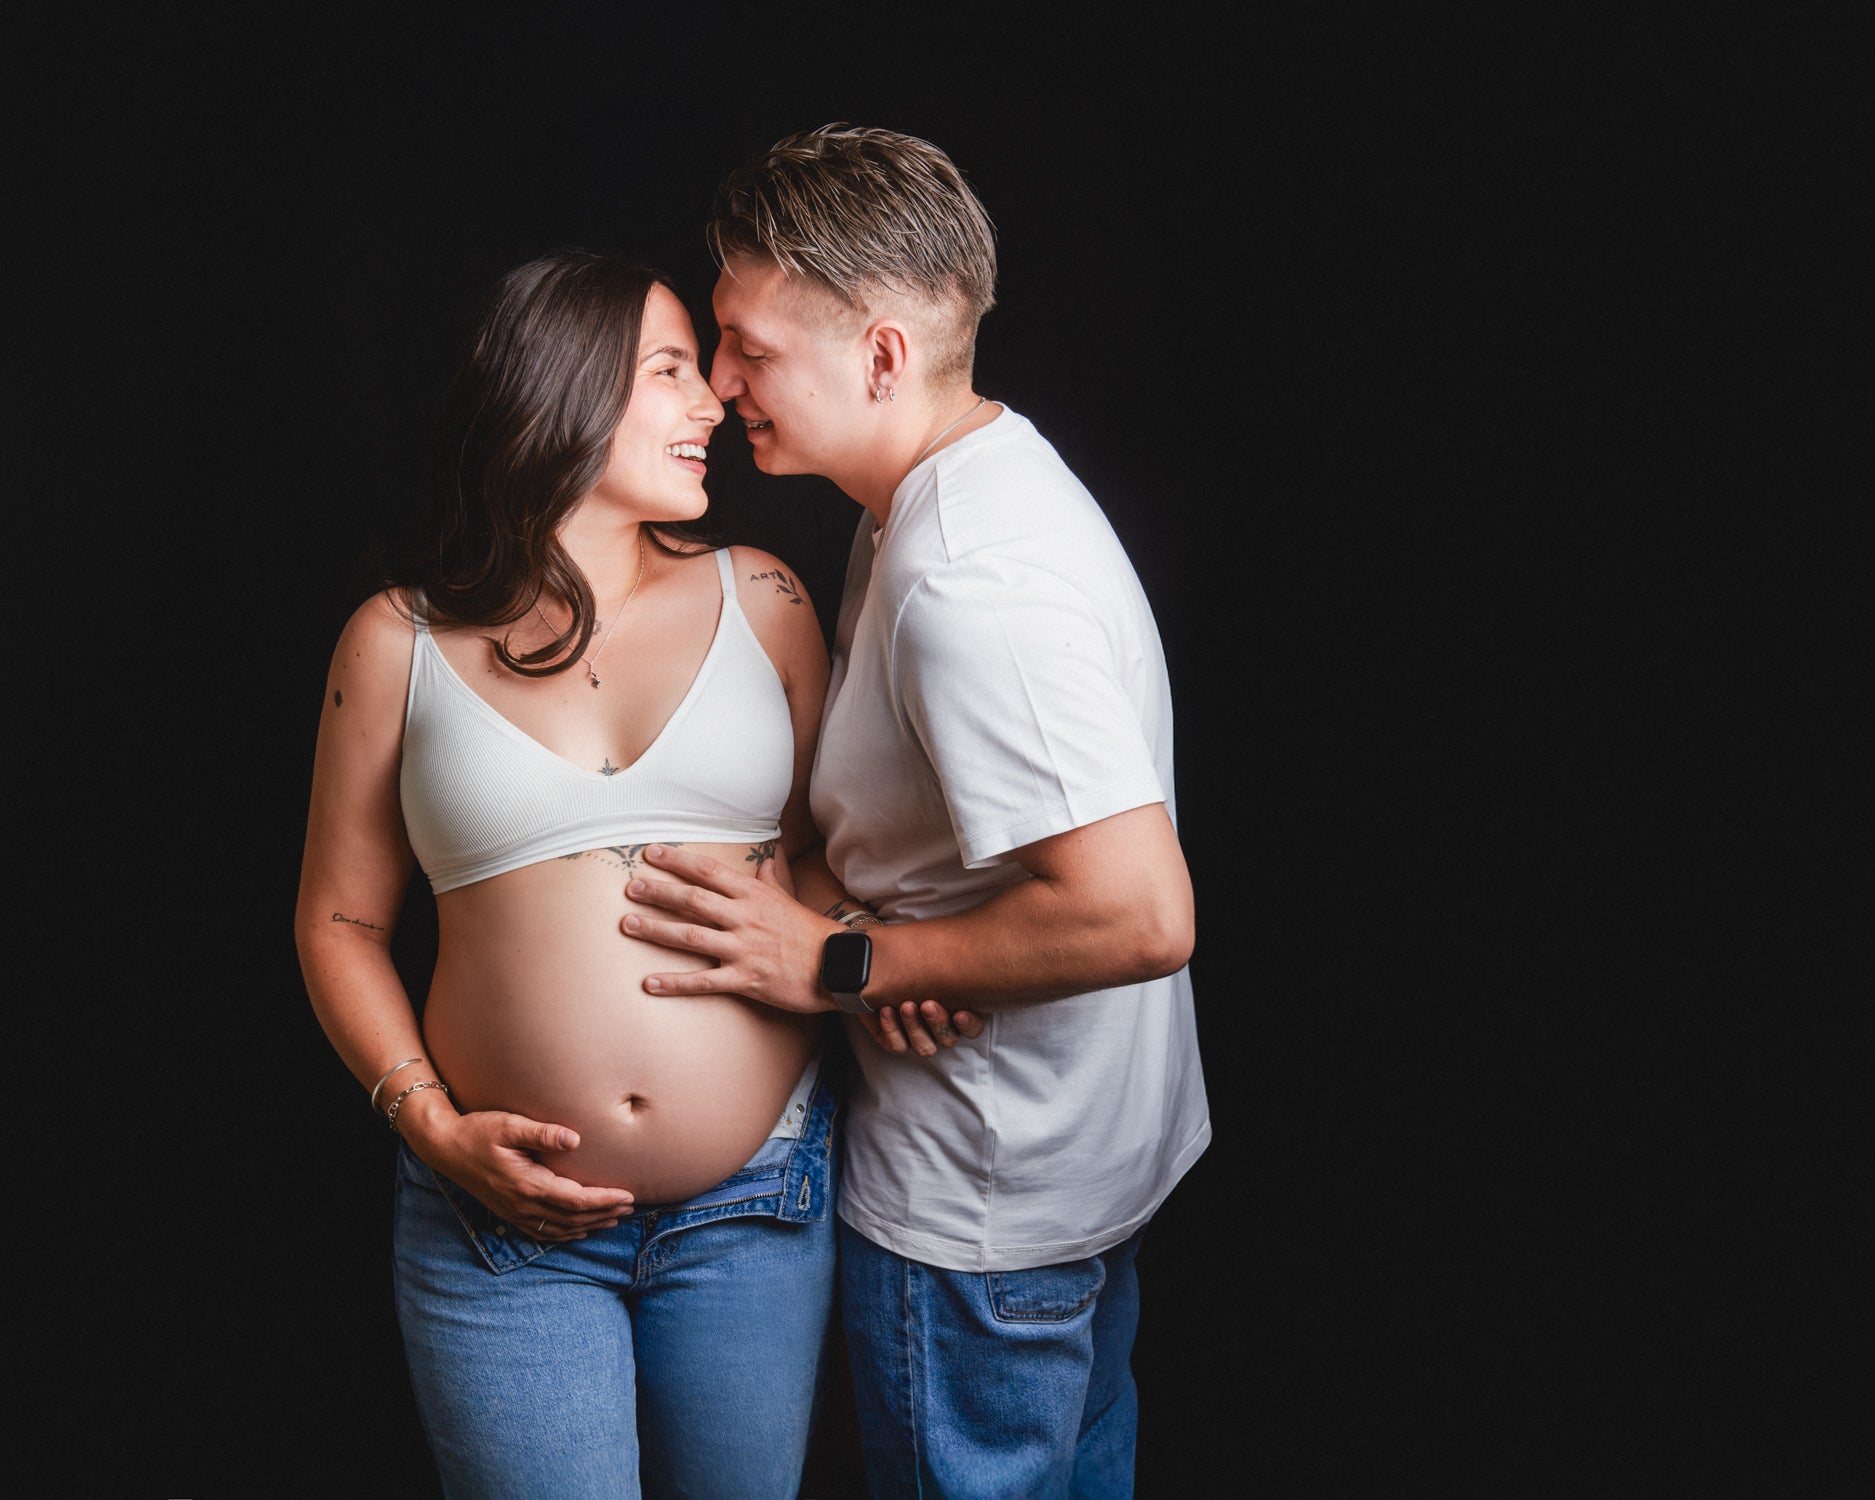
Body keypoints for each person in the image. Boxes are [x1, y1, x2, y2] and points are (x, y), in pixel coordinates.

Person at [621, 127, 1212, 1498]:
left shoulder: (969, 580)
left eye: (746, 347)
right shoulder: (946, 487)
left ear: (880, 356)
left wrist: (840, 961)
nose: (718, 383)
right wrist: (902, 933)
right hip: (1064, 1170)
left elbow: (1138, 909)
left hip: (983, 1215)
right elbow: (972, 847)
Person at [293, 250, 856, 1499]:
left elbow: (828, 861)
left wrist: (854, 959)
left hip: (754, 1204)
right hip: (501, 1226)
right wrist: (431, 1127)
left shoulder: (762, 597)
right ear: (557, 392)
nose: (712, 402)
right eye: (669, 372)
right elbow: (337, 919)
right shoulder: (398, 641)